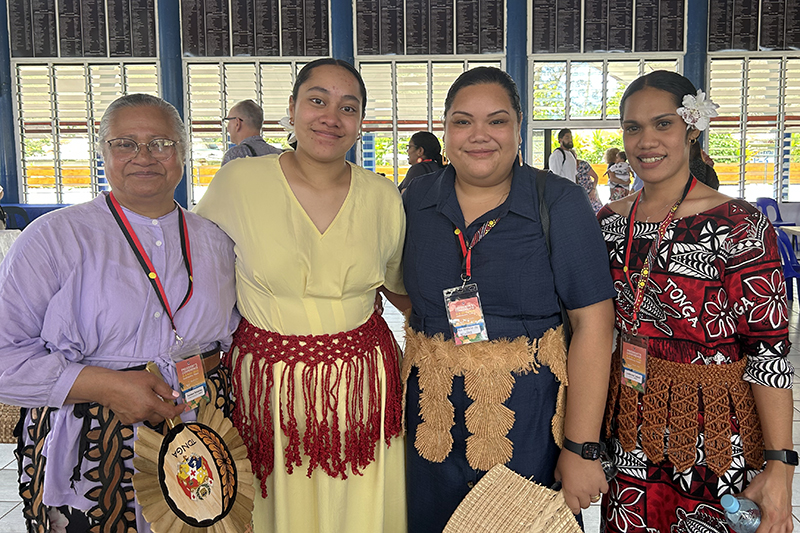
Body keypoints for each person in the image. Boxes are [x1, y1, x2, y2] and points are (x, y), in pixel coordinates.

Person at [0, 94, 239, 532]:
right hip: (94, 439)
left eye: (161, 143)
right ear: (103, 152)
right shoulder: (53, 238)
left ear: (182, 153)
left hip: (199, 431)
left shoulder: (216, 241)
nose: (144, 157)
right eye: (125, 143)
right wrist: (105, 385)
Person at [194, 58, 408, 533]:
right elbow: (194, 273)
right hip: (268, 389)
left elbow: (400, 290)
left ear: (360, 124)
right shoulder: (239, 183)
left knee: (358, 507)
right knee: (275, 508)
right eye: (317, 101)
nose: (331, 117)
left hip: (362, 385)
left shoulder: (383, 196)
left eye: (347, 107)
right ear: (291, 110)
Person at [401, 67, 616, 533]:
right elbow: (397, 290)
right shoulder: (415, 198)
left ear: (520, 127)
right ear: (445, 128)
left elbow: (595, 325)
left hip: (528, 420)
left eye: (496, 121)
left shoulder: (558, 202)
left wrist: (581, 448)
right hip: (430, 416)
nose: (479, 135)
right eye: (462, 121)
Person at [598, 70, 794, 532]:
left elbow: (768, 352)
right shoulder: (607, 222)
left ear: (691, 128)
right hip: (630, 423)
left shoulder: (738, 224)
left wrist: (781, 465)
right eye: (633, 127)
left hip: (717, 435)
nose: (646, 141)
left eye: (662, 124)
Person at [221, 99, 281, 166]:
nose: (227, 128)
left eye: (228, 120)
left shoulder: (235, 156)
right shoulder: (279, 155)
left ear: (237, 123)